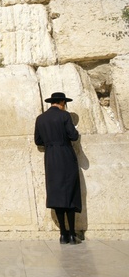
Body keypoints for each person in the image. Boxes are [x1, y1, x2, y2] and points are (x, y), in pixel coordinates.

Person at [34, 92, 81, 245]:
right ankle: (73, 234)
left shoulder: (40, 118)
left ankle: (62, 234)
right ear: (61, 102)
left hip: (51, 158)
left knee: (57, 194)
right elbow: (73, 136)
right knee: (70, 193)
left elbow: (38, 140)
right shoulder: (64, 115)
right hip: (65, 155)